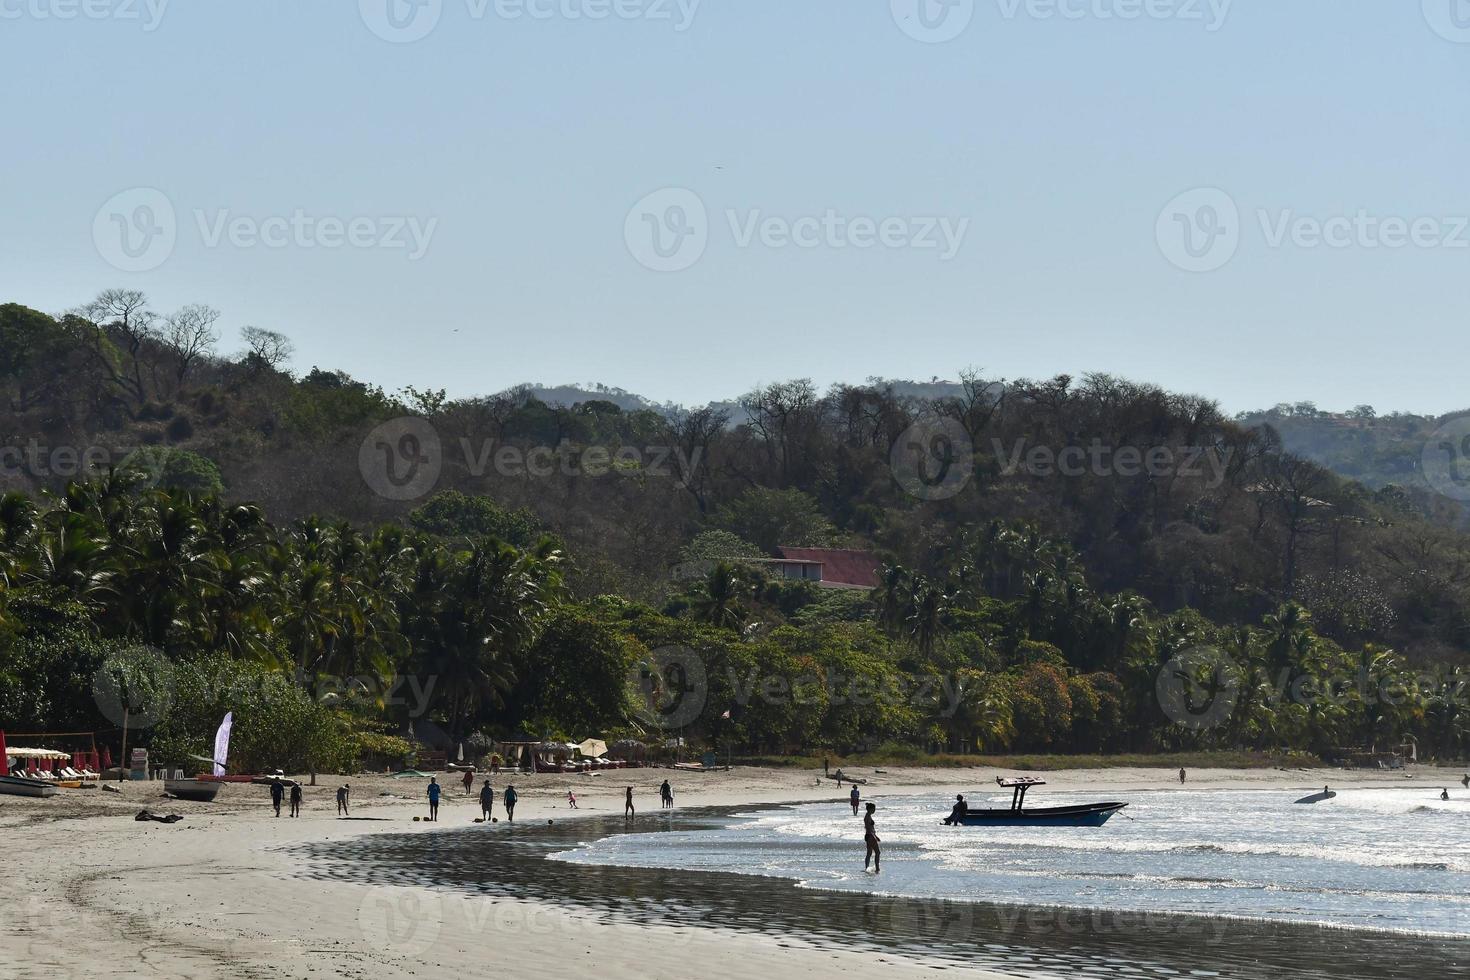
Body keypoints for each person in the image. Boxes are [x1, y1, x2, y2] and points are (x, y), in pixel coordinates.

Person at [863, 802, 881, 873]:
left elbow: (870, 828)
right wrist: (874, 837)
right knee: (878, 852)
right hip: (870, 836)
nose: (874, 810)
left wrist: (876, 836)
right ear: (870, 809)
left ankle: (867, 868)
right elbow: (868, 828)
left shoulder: (868, 816)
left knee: (869, 853)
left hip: (869, 835)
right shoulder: (867, 817)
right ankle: (877, 868)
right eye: (874, 809)